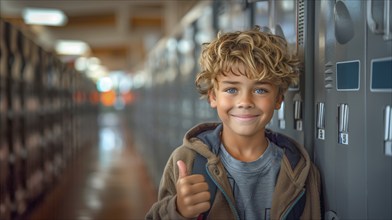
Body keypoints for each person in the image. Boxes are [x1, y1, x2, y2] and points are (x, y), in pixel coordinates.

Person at [146, 26, 321, 220]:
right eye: (231, 90)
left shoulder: (299, 169)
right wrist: (178, 210)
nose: (245, 102)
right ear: (213, 96)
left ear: (279, 98)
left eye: (260, 90)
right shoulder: (187, 160)